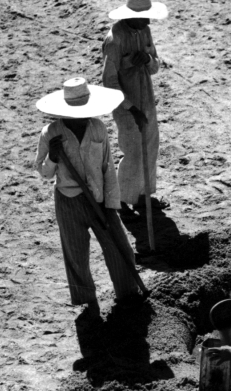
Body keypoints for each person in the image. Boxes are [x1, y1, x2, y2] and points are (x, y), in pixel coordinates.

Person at [34, 77, 143, 318]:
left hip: (100, 197)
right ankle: (86, 301)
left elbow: (107, 167)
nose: (80, 116)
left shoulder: (97, 128)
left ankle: (128, 294)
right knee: (75, 251)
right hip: (68, 200)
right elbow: (43, 172)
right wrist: (52, 156)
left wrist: (111, 203)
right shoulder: (50, 133)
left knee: (118, 246)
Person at [102, 0, 168, 213]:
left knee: (150, 145)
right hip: (125, 103)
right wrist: (132, 109)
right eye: (145, 16)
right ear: (130, 16)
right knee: (132, 151)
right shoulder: (114, 40)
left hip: (146, 97)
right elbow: (110, 82)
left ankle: (143, 196)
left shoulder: (145, 30)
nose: (149, 21)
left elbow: (156, 66)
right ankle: (121, 201)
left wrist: (147, 59)